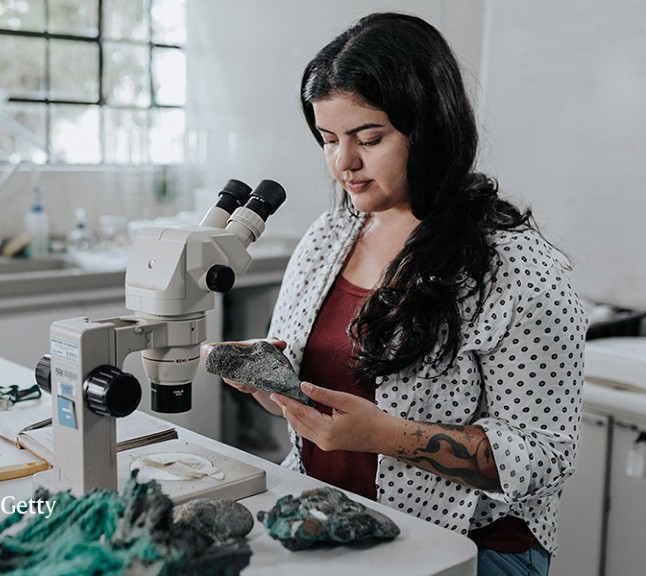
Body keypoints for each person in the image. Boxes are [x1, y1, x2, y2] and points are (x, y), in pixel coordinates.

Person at [206, 12, 586, 576]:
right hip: (332, 516)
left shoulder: (518, 268)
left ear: (430, 129)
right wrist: (275, 380)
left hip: (467, 544)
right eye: (329, 140)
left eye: (369, 139)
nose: (344, 164)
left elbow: (544, 455)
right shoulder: (328, 237)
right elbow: (314, 377)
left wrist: (383, 435)